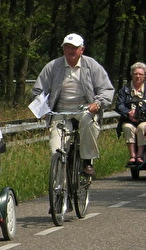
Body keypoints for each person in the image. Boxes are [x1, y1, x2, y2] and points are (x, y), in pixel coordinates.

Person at [31, 33, 114, 176]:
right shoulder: (52, 66)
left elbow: (106, 89)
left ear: (81, 50)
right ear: (63, 49)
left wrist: (97, 103)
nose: (70, 51)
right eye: (67, 47)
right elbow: (38, 90)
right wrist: (43, 108)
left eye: (74, 48)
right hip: (60, 112)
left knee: (89, 121)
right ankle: (60, 186)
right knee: (56, 150)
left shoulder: (91, 65)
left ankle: (87, 160)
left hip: (84, 109)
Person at [115, 61, 146, 166]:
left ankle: (140, 155)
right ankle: (132, 155)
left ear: (144, 75)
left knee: (142, 128)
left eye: (140, 74)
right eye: (135, 74)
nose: (138, 76)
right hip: (128, 120)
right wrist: (129, 113)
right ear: (131, 75)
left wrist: (141, 114)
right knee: (128, 127)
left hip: (144, 120)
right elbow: (119, 105)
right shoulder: (124, 90)